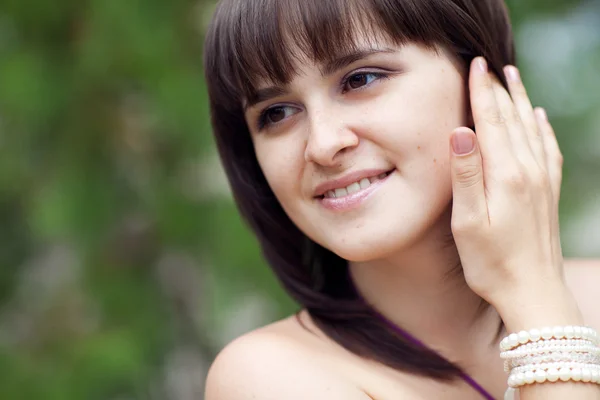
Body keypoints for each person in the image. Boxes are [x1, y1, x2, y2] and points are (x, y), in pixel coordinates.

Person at [202, 0, 600, 399]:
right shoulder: (268, 376)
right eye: (277, 113)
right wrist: (540, 307)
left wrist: (533, 290)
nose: (322, 145)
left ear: (481, 79)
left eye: (360, 79)